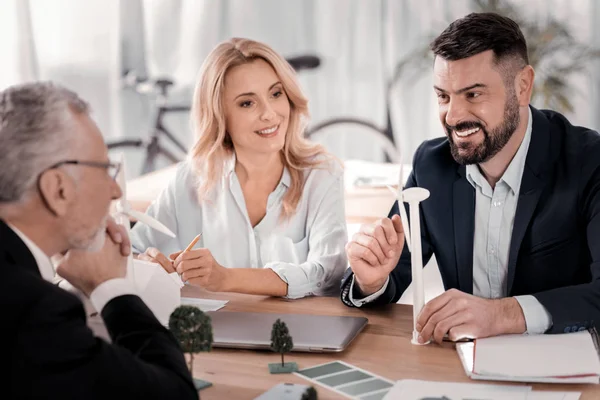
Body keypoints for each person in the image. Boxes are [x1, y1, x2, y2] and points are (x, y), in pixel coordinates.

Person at [342, 13, 600, 343]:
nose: (453, 116)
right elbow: (390, 276)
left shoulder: (589, 161)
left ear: (522, 87)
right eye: (443, 96)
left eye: (473, 95)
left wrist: (503, 314)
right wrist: (371, 280)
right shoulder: (431, 166)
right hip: (463, 368)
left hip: (566, 372)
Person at [0, 82, 197, 399]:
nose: (116, 191)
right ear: (58, 189)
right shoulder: (33, 312)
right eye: (104, 169)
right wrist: (110, 286)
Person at [130, 38, 347, 299]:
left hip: (302, 335)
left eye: (276, 94)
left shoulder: (321, 174)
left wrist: (226, 278)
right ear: (219, 115)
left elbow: (328, 275)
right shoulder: (191, 179)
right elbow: (128, 251)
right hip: (214, 335)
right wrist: (145, 264)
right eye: (247, 103)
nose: (270, 114)